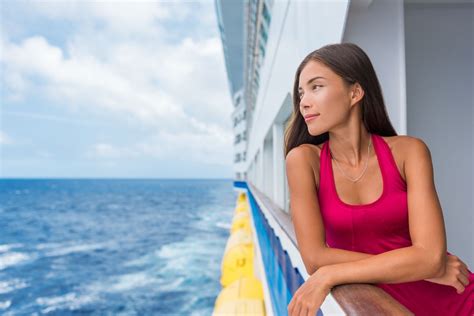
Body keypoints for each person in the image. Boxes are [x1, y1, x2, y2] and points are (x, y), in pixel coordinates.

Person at [284, 43, 473, 316]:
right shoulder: (303, 161)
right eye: (301, 92)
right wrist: (418, 266)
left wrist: (330, 275)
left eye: (316, 87)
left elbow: (431, 257)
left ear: (355, 92)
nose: (303, 102)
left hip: (458, 300)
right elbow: (315, 258)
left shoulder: (409, 151)